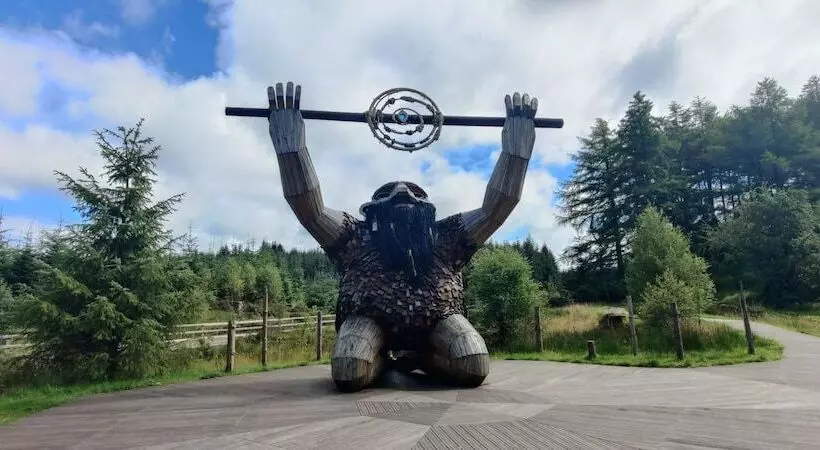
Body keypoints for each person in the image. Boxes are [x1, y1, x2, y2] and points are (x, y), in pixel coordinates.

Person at [266, 82, 538, 391]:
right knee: (349, 369)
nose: (401, 193)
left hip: (441, 321)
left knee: (473, 362)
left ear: (427, 207)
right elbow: (309, 209)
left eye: (414, 193)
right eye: (388, 193)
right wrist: (291, 147)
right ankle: (380, 361)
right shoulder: (356, 236)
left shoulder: (446, 237)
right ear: (373, 209)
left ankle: (419, 358)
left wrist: (516, 150)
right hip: (366, 321)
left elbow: (495, 209)